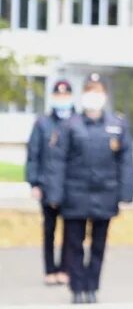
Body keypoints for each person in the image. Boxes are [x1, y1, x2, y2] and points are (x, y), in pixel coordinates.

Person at [45, 73, 133, 304]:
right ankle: (77, 287)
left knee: (98, 244)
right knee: (73, 243)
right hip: (75, 194)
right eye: (89, 90)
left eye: (97, 91)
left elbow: (125, 161)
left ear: (104, 95)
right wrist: (54, 194)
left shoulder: (116, 125)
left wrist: (126, 192)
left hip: (105, 193)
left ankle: (92, 285)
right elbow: (58, 162)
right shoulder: (70, 126)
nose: (93, 96)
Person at [25, 79, 75, 286]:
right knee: (49, 229)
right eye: (58, 95)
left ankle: (65, 268)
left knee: (71, 230)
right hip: (47, 184)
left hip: (71, 185)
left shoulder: (78, 121)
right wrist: (34, 183)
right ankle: (50, 269)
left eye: (65, 95)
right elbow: (33, 155)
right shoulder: (42, 123)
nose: (62, 98)